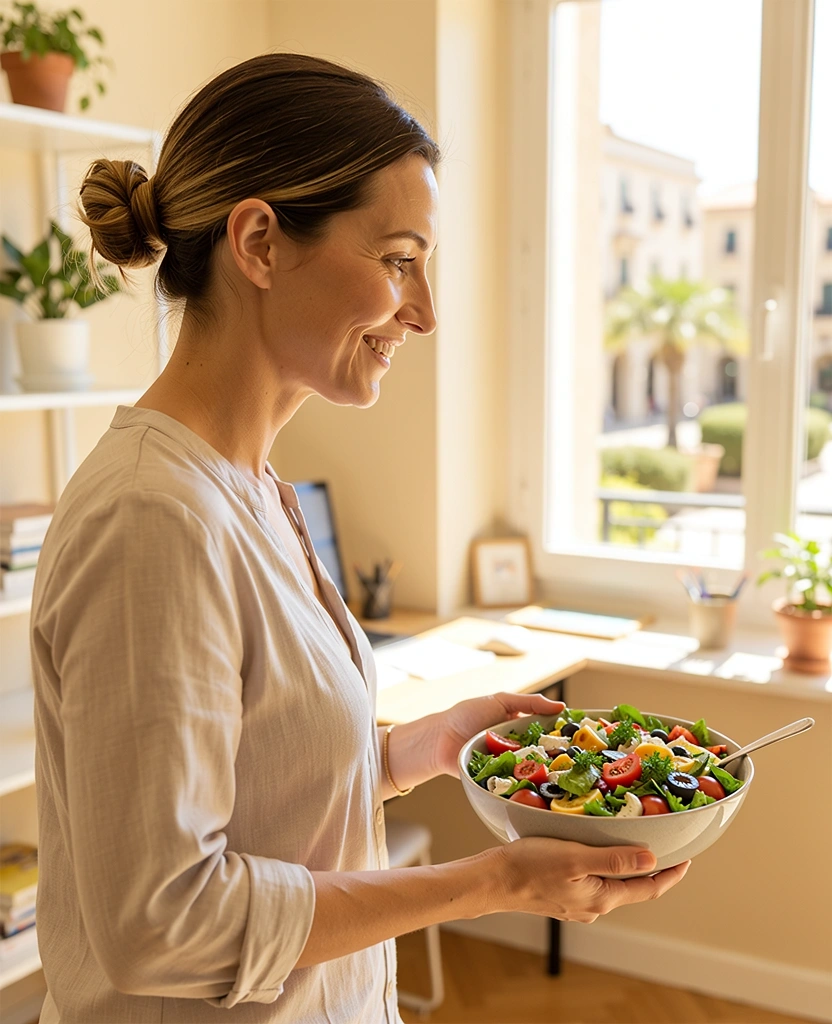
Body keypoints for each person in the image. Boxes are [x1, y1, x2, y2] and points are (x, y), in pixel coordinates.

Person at [30, 54, 689, 1024]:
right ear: (259, 241)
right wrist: (495, 881)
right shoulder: (151, 520)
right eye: (397, 259)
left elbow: (260, 785)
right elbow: (161, 920)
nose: (422, 313)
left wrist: (415, 748)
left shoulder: (255, 491)